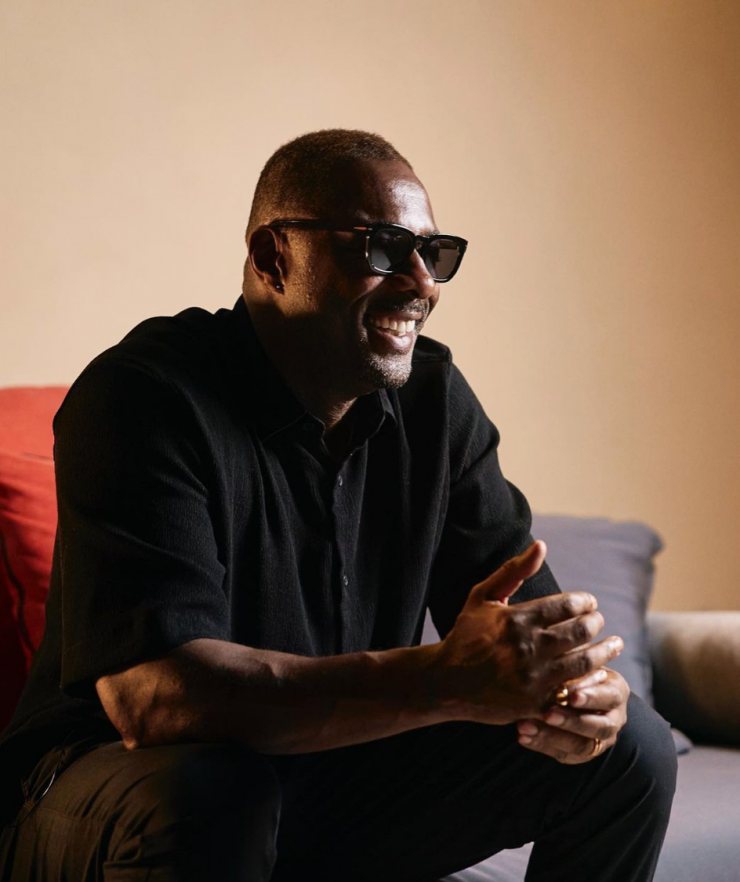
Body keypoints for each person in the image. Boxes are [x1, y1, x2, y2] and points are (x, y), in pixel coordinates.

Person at [0, 129, 676, 882]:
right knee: (214, 789)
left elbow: (534, 646)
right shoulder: (144, 397)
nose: (422, 283)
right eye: (382, 248)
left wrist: (579, 698)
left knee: (631, 751)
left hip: (317, 779)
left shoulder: (435, 405)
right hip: (99, 786)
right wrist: (442, 681)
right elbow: (156, 701)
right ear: (273, 257)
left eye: (435, 253)